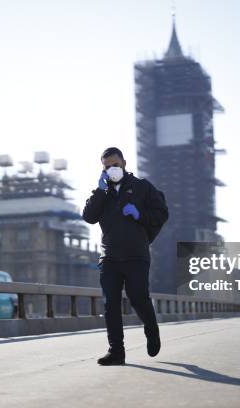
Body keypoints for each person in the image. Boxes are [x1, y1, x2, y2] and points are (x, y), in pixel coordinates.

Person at [82, 147, 169, 365]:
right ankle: (116, 352)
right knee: (110, 303)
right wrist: (100, 191)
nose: (111, 169)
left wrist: (140, 215)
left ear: (124, 163)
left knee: (138, 297)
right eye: (106, 166)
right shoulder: (102, 193)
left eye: (115, 165)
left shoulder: (142, 187)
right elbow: (89, 217)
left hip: (136, 255)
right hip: (109, 256)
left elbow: (162, 213)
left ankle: (151, 328)